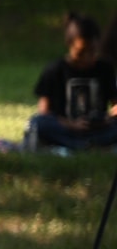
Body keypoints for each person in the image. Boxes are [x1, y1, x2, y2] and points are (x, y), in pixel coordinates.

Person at [28, 12, 117, 151]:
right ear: (69, 45)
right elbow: (44, 111)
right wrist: (71, 124)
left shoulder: (105, 68)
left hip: (99, 130)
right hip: (66, 129)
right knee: (38, 123)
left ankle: (84, 145)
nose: (87, 58)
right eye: (81, 53)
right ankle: (87, 145)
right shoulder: (55, 70)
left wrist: (105, 119)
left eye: (92, 51)